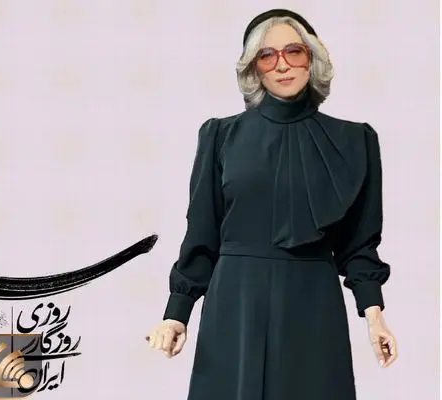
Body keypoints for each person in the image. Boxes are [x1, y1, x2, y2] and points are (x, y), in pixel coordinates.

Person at [146, 9, 398, 400]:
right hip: (236, 302)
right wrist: (177, 313)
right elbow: (202, 232)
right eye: (267, 56)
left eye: (293, 51)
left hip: (313, 302)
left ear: (312, 58)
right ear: (253, 67)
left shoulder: (355, 142)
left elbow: (360, 244)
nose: (282, 65)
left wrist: (374, 315)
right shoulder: (220, 135)